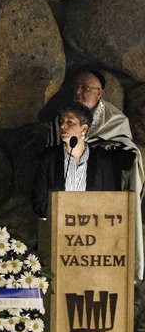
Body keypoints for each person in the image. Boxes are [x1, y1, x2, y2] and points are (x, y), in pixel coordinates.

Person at [46, 68, 145, 277]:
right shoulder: (62, 119)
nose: (78, 92)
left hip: (105, 195)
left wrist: (102, 152)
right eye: (76, 87)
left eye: (85, 88)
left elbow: (129, 157)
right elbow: (51, 158)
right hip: (70, 198)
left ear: (100, 93)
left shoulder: (115, 120)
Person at [32, 102, 137, 218]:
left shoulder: (102, 160)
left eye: (70, 122)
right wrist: (66, 215)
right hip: (58, 226)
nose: (62, 126)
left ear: (84, 128)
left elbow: (109, 202)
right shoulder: (49, 158)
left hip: (93, 227)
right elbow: (39, 202)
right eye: (61, 121)